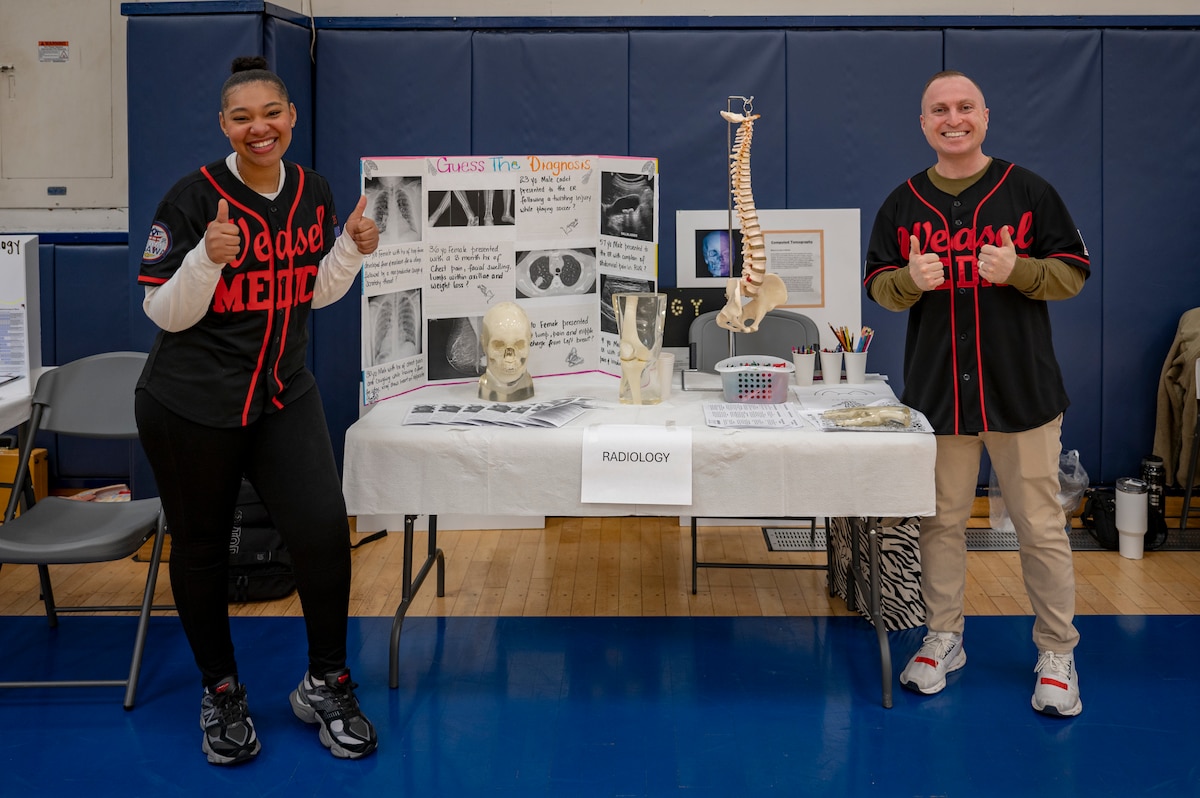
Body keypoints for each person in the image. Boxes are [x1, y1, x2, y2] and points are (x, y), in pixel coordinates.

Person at [134, 56, 380, 764]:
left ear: (291, 118)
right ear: (224, 126)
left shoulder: (312, 190)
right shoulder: (193, 198)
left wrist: (351, 252)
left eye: (270, 113)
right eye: (241, 118)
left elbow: (315, 293)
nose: (258, 128)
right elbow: (163, 311)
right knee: (204, 548)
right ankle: (221, 695)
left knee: (324, 538)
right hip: (191, 402)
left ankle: (326, 682)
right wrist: (206, 259)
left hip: (280, 393)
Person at [863, 71, 1090, 717]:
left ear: (985, 116)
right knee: (941, 525)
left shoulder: (1028, 190)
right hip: (941, 396)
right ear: (924, 122)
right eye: (939, 109)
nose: (952, 118)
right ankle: (944, 638)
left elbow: (1073, 272)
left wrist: (1018, 270)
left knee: (1041, 528)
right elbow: (879, 285)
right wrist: (908, 280)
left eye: (964, 108)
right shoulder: (903, 202)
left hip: (1021, 392)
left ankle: (1057, 652)